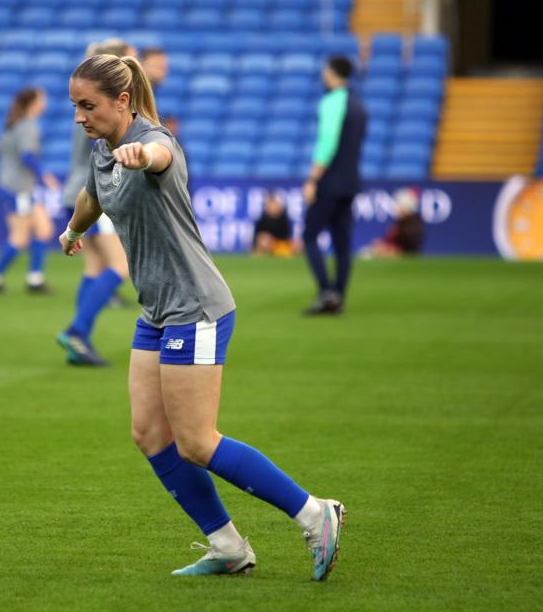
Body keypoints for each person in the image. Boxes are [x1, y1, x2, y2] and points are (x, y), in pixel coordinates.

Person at [61, 54, 346, 579]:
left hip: (197, 309)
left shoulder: (154, 140)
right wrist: (74, 231)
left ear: (121, 101)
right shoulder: (103, 152)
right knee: (149, 434)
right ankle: (227, 546)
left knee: (196, 441)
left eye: (88, 105)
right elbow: (91, 196)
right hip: (158, 312)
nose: (79, 116)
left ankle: (314, 513)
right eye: (75, 105)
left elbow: (159, 157)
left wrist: (141, 156)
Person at [57, 39, 137, 367]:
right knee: (121, 266)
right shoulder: (101, 104)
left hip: (75, 189)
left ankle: (80, 340)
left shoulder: (86, 99)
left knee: (93, 267)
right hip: (94, 193)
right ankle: (77, 330)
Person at [0, 87, 61, 293]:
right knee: (20, 237)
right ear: (33, 103)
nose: (45, 103)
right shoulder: (28, 126)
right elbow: (28, 156)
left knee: (44, 230)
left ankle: (34, 279)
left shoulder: (10, 125)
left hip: (12, 186)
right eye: (42, 99)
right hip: (19, 188)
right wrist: (44, 174)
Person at [301, 56, 368, 316]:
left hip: (331, 182)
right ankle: (338, 296)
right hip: (351, 181)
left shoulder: (331, 102)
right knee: (342, 242)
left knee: (309, 235)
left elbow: (327, 145)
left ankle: (326, 293)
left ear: (332, 73)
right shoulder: (359, 106)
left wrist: (313, 179)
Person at [362, 187, 425, 257]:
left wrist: (389, 249)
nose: (396, 208)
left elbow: (408, 248)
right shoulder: (400, 223)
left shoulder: (413, 224)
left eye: (398, 205)